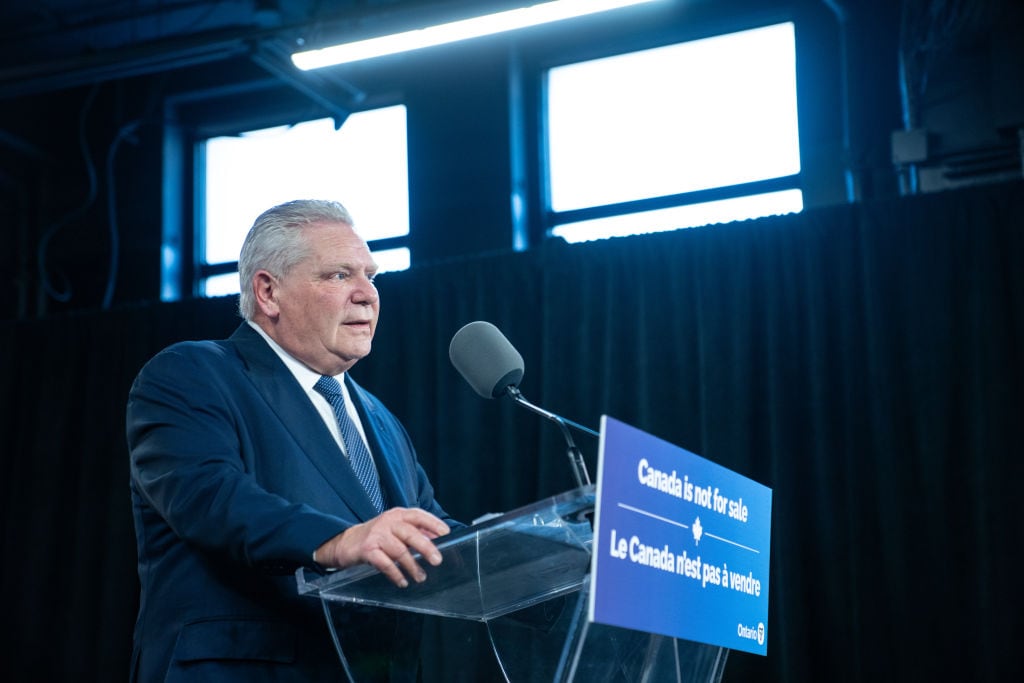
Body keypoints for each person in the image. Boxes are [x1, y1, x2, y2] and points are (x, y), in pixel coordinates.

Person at [127, 199, 460, 682]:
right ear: (268, 292)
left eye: (372, 276)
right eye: (339, 275)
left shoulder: (381, 420)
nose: (368, 294)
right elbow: (209, 496)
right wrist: (335, 540)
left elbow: (426, 533)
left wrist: (537, 551)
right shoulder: (191, 374)